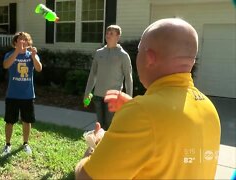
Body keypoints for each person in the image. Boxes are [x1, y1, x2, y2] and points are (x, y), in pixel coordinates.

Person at [75, 18, 221, 179]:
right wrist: (133, 105)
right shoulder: (209, 109)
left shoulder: (142, 113)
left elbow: (86, 177)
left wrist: (94, 146)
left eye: (138, 51)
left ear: (150, 58)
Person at [84, 25, 133, 130]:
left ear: (118, 37)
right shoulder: (99, 53)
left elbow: (128, 79)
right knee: (99, 127)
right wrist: (87, 92)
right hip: (97, 96)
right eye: (107, 33)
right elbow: (93, 74)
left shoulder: (123, 55)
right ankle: (99, 145)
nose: (108, 35)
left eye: (111, 33)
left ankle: (110, 145)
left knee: (110, 127)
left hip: (113, 98)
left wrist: (129, 100)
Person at [2, 32, 42, 155]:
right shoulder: (9, 54)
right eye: (20, 40)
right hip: (12, 95)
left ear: (28, 42)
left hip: (28, 95)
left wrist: (34, 56)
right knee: (9, 121)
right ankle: (7, 145)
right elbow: (5, 65)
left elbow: (39, 68)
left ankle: (25, 144)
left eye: (25, 40)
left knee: (27, 120)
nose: (22, 42)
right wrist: (16, 52)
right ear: (15, 43)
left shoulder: (31, 55)